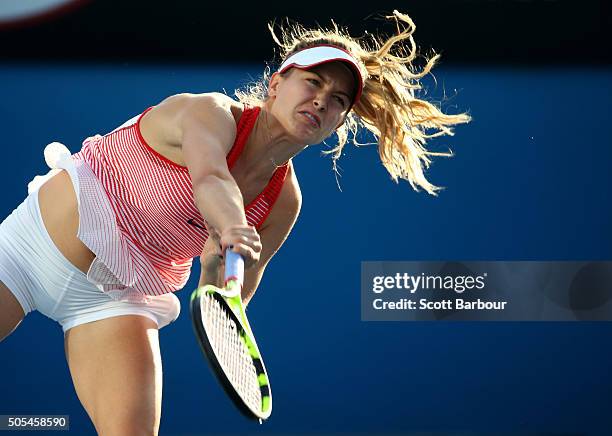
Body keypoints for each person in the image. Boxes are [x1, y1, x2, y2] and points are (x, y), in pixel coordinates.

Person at [0, 10, 470, 436]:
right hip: (29, 250)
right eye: (311, 83)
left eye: (337, 100)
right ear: (275, 84)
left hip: (115, 301)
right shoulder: (208, 111)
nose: (321, 101)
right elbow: (210, 178)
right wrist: (230, 227)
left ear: (339, 122)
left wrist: (209, 270)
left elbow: (228, 302)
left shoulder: (284, 201)